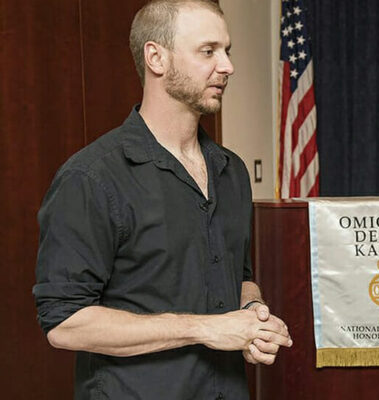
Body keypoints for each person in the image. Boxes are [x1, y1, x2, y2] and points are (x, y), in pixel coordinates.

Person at [32, 1, 291, 399]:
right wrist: (204, 328)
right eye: (208, 51)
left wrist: (252, 315)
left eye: (227, 51)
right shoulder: (91, 178)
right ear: (156, 58)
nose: (227, 66)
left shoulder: (231, 171)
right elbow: (64, 323)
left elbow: (239, 277)